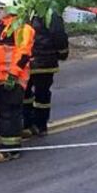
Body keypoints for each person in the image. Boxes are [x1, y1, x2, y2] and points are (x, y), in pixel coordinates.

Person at [0, 0, 35, 163]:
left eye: (1, 8)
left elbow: (23, 54)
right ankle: (5, 145)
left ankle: (10, 150)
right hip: (0, 78)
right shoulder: (4, 28)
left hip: (12, 80)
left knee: (10, 114)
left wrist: (13, 76)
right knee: (3, 113)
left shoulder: (22, 28)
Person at [26, 8, 69, 136]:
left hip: (27, 60)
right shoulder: (52, 14)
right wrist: (62, 54)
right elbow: (59, 35)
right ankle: (41, 125)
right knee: (42, 94)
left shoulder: (24, 13)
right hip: (46, 61)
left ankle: (27, 124)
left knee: (25, 93)